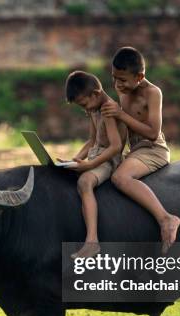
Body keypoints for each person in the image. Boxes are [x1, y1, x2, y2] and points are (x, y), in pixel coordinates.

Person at [101, 46, 180, 253]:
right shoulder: (123, 90)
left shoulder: (153, 93)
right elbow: (124, 128)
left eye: (123, 80)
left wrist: (120, 115)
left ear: (140, 76)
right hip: (134, 150)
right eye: (114, 78)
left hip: (153, 149)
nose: (118, 84)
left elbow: (154, 132)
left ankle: (166, 218)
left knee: (120, 178)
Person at [63, 71, 127, 259]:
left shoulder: (108, 109)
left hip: (108, 160)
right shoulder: (94, 109)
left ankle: (92, 241)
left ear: (96, 94)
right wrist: (73, 160)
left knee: (84, 182)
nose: (85, 109)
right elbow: (91, 141)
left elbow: (115, 146)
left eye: (84, 104)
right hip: (95, 156)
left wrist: (89, 165)